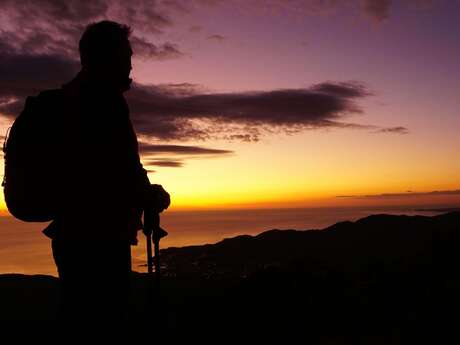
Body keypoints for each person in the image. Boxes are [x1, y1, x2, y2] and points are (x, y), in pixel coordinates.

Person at [39, 20, 170, 329]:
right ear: (108, 58)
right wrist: (152, 196)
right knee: (104, 319)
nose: (130, 64)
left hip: (71, 233)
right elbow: (117, 171)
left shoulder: (72, 96)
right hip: (99, 237)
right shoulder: (103, 102)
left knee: (78, 315)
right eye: (125, 56)